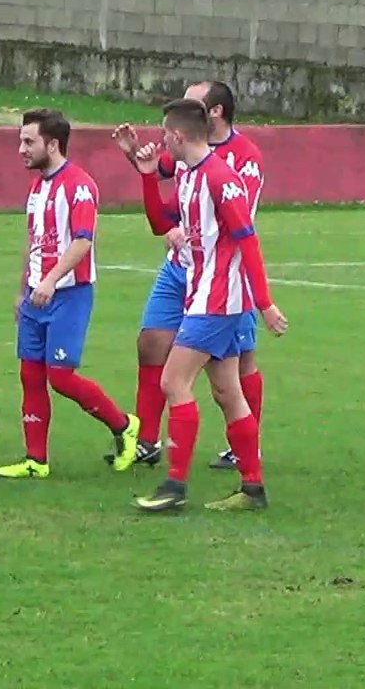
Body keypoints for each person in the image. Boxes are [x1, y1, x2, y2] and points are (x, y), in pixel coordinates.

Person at [130, 99, 287, 513]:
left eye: (165, 134)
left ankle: (174, 486)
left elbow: (248, 238)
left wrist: (265, 304)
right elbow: (160, 222)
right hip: (205, 294)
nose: (162, 141)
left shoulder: (220, 177)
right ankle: (252, 489)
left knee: (173, 382)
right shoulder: (189, 176)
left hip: (217, 302)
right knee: (226, 391)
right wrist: (148, 178)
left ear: (178, 136)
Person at [110, 80, 266, 471]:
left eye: (191, 102)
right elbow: (162, 193)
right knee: (152, 343)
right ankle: (150, 444)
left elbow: (237, 225)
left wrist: (264, 301)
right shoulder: (185, 157)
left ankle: (231, 461)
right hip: (183, 269)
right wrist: (137, 161)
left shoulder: (240, 159)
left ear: (212, 113)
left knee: (231, 372)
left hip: (222, 278)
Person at [0, 108, 141, 479]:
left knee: (60, 376)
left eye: (29, 141)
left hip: (69, 295)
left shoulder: (80, 186)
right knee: (30, 373)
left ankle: (124, 426)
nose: (21, 149)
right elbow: (33, 242)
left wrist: (50, 280)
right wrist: (21, 289)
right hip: (34, 296)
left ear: (53, 144)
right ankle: (35, 461)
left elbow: (82, 242)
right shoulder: (37, 186)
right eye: (20, 141)